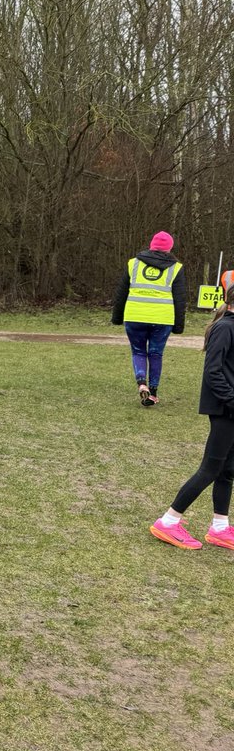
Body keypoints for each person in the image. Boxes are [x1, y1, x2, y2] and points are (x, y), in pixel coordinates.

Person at [149, 285, 234, 551]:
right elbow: (213, 372)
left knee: (228, 470)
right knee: (210, 468)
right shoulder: (225, 328)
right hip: (225, 410)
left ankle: (219, 528)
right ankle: (168, 521)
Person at [111, 231, 187, 406]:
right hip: (162, 318)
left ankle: (141, 383)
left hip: (135, 315)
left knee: (138, 351)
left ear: (152, 245)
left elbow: (121, 293)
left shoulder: (133, 264)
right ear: (169, 248)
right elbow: (180, 299)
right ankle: (153, 393)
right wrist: (179, 325)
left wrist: (117, 317)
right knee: (155, 354)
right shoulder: (176, 268)